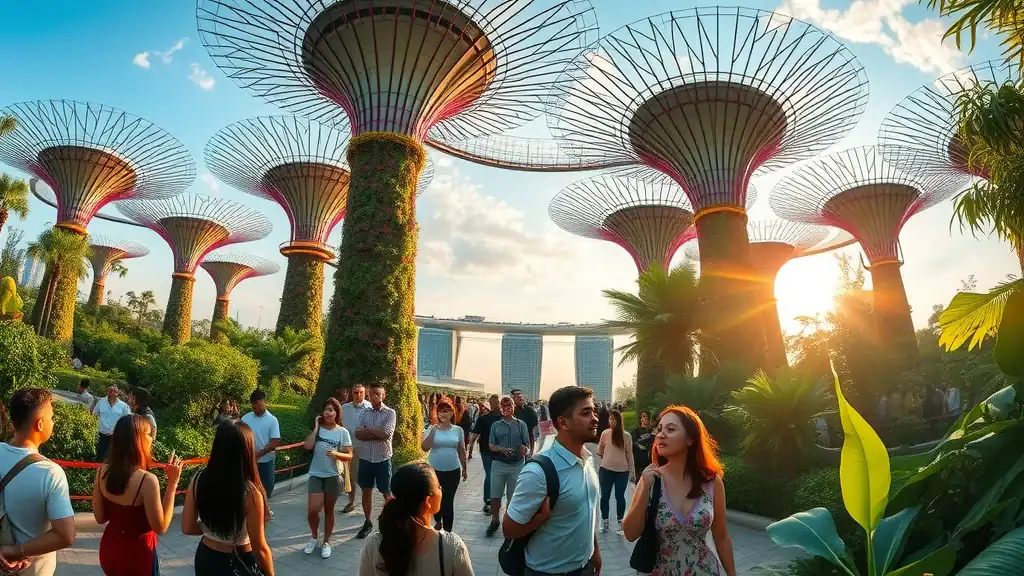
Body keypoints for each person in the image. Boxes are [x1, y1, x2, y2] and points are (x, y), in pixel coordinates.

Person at [622, 406, 737, 576]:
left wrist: (732, 574)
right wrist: (645, 488)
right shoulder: (651, 479)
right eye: (659, 429)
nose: (661, 434)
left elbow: (721, 538)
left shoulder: (712, 482)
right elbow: (630, 534)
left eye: (670, 429)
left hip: (705, 570)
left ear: (690, 439)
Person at [503, 386, 601, 576]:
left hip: (585, 566)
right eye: (586, 412)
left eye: (594, 410)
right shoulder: (538, 472)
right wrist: (540, 518)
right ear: (563, 423)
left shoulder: (587, 460)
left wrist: (594, 551)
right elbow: (509, 529)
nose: (595, 418)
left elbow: (586, 512)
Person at [93, 415, 184, 575]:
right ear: (138, 440)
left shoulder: (101, 471)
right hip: (137, 555)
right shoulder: (147, 480)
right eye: (148, 434)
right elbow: (160, 527)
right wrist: (172, 484)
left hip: (110, 550)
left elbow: (100, 517)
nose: (152, 439)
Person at [182, 421, 275, 576]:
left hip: (205, 556)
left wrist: (212, 527)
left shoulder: (198, 478)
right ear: (246, 450)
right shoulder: (250, 492)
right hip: (237, 561)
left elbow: (188, 527)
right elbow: (260, 548)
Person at [0, 389, 75, 575]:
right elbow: (66, 535)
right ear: (40, 424)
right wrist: (16, 551)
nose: (54, 421)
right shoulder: (50, 473)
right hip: (30, 569)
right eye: (52, 417)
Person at [358, 462, 474, 576]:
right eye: (439, 486)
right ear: (428, 501)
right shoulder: (451, 547)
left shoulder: (374, 544)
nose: (441, 489)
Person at [302, 397, 352, 558]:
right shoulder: (318, 430)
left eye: (331, 409)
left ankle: (326, 542)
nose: (328, 412)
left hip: (333, 475)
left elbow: (349, 455)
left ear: (337, 413)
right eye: (326, 409)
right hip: (316, 474)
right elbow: (307, 446)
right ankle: (314, 536)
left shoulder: (342, 432)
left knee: (329, 510)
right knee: (313, 510)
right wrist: (316, 427)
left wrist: (336, 454)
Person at [354, 382, 396, 539]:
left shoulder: (390, 413)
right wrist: (375, 434)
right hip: (366, 458)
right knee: (366, 490)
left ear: (384, 396)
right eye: (372, 394)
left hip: (383, 458)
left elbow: (386, 434)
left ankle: (390, 521)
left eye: (378, 394)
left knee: (386, 491)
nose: (374, 397)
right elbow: (358, 433)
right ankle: (367, 522)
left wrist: (368, 430)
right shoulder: (364, 413)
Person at [421, 400, 468, 532]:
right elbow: (425, 447)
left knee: (448, 501)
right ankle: (438, 520)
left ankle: (448, 533)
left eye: (447, 410)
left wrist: (464, 467)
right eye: (441, 410)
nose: (443, 413)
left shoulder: (458, 430)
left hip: (453, 470)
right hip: (434, 470)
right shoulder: (432, 429)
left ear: (452, 412)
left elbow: (461, 449)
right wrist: (433, 432)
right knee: (435, 498)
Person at [486, 396, 530, 537]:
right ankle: (494, 520)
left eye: (509, 405)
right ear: (500, 407)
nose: (506, 408)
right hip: (499, 464)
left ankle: (508, 520)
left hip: (517, 464)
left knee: (513, 496)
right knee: (495, 495)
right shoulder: (496, 426)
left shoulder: (521, 424)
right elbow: (491, 446)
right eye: (503, 405)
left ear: (513, 406)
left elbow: (528, 445)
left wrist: (525, 450)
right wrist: (501, 449)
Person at [241, 389, 281, 520]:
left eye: (258, 405)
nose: (255, 408)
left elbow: (275, 441)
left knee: (267, 484)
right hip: (248, 459)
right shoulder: (245, 418)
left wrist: (259, 454)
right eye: (253, 406)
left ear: (264, 402)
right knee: (247, 485)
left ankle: (264, 507)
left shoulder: (272, 420)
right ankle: (249, 509)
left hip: (265, 460)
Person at [597, 409, 633, 533]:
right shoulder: (605, 433)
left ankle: (620, 521)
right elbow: (599, 451)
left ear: (619, 421)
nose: (611, 421)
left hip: (622, 471)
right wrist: (604, 454)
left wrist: (631, 471)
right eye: (610, 419)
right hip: (606, 470)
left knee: (620, 496)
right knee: (604, 496)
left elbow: (630, 455)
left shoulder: (626, 436)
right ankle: (605, 520)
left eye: (614, 419)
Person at [341, 383, 372, 514]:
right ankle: (351, 501)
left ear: (365, 393)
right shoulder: (344, 408)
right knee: (350, 476)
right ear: (351, 393)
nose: (358, 395)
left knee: (365, 476)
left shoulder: (369, 407)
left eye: (361, 392)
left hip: (365, 447)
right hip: (349, 447)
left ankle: (368, 503)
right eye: (355, 392)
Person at [470, 394, 501, 516]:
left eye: (497, 402)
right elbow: (474, 435)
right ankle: (488, 500)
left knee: (497, 476)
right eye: (493, 402)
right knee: (489, 474)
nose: (496, 405)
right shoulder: (483, 419)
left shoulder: (505, 419)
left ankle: (496, 498)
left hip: (500, 452)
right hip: (486, 451)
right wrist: (470, 450)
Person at [92, 384, 131, 461]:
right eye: (110, 391)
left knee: (113, 458)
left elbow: (127, 421)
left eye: (115, 391)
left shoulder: (123, 406)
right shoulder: (101, 402)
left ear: (118, 392)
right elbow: (94, 415)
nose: (112, 393)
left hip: (115, 436)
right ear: (107, 391)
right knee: (99, 456)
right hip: (101, 435)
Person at [511, 389, 538, 455]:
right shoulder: (508, 411)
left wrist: (531, 451)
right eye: (517, 396)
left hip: (524, 448)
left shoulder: (530, 412)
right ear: (512, 398)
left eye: (521, 395)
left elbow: (532, 433)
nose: (520, 397)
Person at [632, 410, 654, 481]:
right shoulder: (636, 430)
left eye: (644, 416)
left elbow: (652, 442)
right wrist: (639, 444)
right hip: (638, 460)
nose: (642, 419)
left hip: (648, 461)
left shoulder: (652, 431)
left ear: (649, 419)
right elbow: (633, 443)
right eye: (641, 417)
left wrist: (641, 443)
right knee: (639, 481)